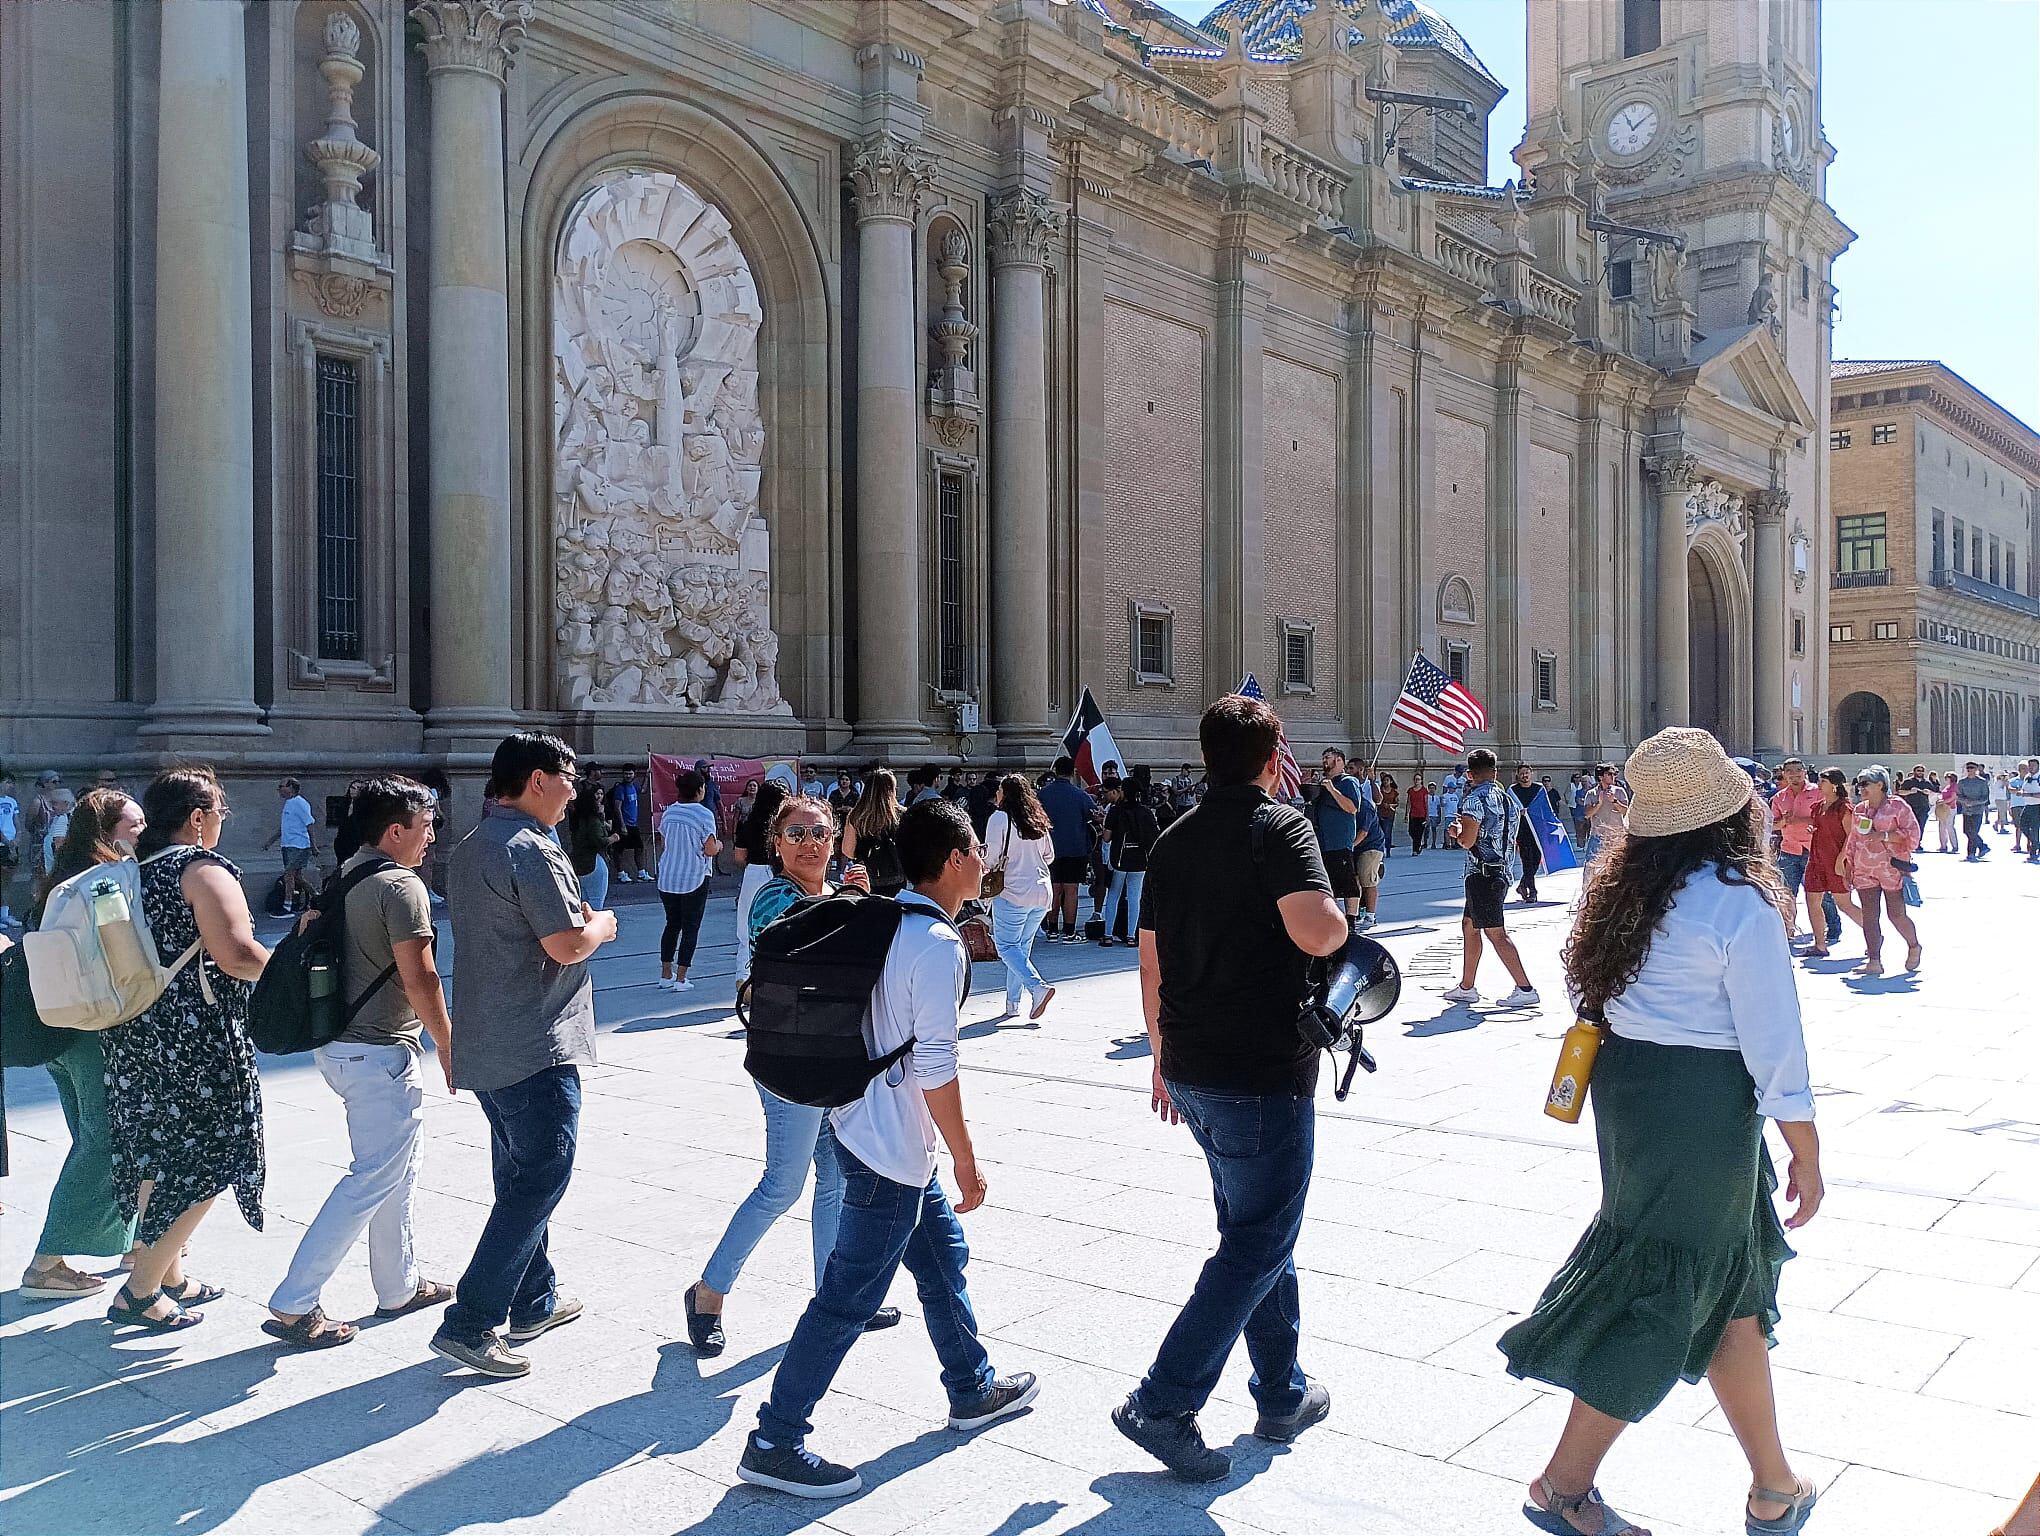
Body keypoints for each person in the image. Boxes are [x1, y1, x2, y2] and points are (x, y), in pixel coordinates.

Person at [1500, 727, 1821, 1536]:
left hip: (1632, 1094)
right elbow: (1773, 1038)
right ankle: (1563, 1485)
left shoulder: (1622, 891)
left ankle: (1773, 1483)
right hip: (1702, 1107)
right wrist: (1805, 1148)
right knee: (1670, 1290)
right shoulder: (1737, 899)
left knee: (1730, 1291)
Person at [740, 803, 1039, 1499]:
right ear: (957, 859)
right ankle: (775, 1438)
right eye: (975, 849)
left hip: (868, 1126)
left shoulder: (888, 918)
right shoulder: (935, 944)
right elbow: (936, 1064)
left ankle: (970, 1386)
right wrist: (966, 1156)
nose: (983, 862)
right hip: (890, 1147)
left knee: (941, 1261)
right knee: (848, 1298)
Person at [1113, 693, 1348, 1482]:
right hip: (1260, 1071)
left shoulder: (1175, 838)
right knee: (1259, 1240)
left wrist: (1158, 1053)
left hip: (1191, 1064)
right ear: (1273, 753)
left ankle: (1280, 1391)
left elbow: (1150, 959)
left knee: (1257, 1229)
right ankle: (1165, 1400)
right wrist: (1340, 917)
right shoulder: (1280, 826)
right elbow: (1317, 930)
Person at [431, 733, 617, 1378]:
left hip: (487, 1033)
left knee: (518, 1174)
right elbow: (566, 943)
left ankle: (534, 1299)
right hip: (536, 1039)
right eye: (568, 777)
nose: (575, 790)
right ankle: (473, 1319)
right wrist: (603, 924)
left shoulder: (471, 844)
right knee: (541, 1177)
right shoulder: (531, 849)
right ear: (537, 779)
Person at [689, 798, 893, 1360]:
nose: (810, 842)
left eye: (820, 832)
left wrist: (857, 901)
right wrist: (857, 904)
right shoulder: (775, 897)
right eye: (796, 833)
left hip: (831, 1056)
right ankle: (708, 1293)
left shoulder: (833, 895)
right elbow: (808, 942)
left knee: (833, 1180)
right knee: (783, 1184)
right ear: (776, 844)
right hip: (789, 1061)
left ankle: (835, 1297)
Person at [266, 778, 456, 1349]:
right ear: (395, 830)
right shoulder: (401, 887)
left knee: (399, 1168)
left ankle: (398, 1284)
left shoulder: (348, 873)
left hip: (342, 1045)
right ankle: (295, 1301)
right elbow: (419, 976)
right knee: (374, 1175)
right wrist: (449, 1043)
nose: (432, 837)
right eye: (426, 826)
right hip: (380, 1053)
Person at [102, 769, 271, 1333]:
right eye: (219, 812)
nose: (221, 823)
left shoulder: (131, 873)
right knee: (217, 1154)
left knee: (158, 1149)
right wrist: (286, 975)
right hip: (198, 1036)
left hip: (135, 1031)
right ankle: (141, 1288)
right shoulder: (201, 870)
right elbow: (239, 956)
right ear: (197, 819)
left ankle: (169, 1273)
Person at [17, 789, 144, 1301]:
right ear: (110, 833)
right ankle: (47, 1262)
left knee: (95, 1137)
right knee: (106, 1140)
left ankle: (138, 1243)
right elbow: (126, 957)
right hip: (96, 1029)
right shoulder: (106, 882)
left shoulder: (61, 882)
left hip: (58, 1029)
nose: (143, 833)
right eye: (135, 826)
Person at [1443, 749, 1539, 1009]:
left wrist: (1455, 831)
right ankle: (1466, 986)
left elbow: (1467, 840)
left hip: (1482, 874)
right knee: (1469, 925)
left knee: (1495, 932)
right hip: (1503, 871)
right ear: (1495, 771)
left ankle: (1525, 988)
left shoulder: (1473, 800)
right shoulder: (1510, 800)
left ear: (1471, 774)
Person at [984, 773, 1056, 1022]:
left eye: (1000, 790)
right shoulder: (1037, 819)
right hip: (1041, 890)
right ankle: (1013, 1003)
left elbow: (991, 858)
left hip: (1013, 891)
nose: (997, 795)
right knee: (1021, 948)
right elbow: (1049, 856)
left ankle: (1037, 987)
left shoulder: (999, 819)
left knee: (1006, 946)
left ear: (1005, 794)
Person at [1842, 766, 1922, 978]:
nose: (1862, 788)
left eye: (1866, 783)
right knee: (1870, 916)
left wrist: (1885, 836)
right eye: (1860, 784)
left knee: (1896, 914)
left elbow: (1913, 837)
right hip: (1863, 868)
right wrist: (1848, 865)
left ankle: (1914, 945)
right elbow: (1853, 838)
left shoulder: (1898, 806)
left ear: (1880, 785)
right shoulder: (1859, 809)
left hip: (1891, 868)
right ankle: (1874, 960)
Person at [655, 769, 720, 992]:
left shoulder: (669, 812)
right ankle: (682, 978)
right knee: (691, 927)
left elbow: (664, 843)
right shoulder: (704, 815)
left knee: (672, 924)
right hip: (694, 877)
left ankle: (665, 973)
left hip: (668, 877)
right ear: (700, 790)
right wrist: (719, 846)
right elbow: (710, 849)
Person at [733, 777, 790, 973]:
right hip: (779, 873)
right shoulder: (783, 826)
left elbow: (739, 856)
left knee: (746, 927)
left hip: (754, 872)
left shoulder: (749, 822)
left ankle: (743, 976)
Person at [1038, 756, 1097, 945]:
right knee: (1071, 890)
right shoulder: (1080, 795)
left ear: (1055, 770)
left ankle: (1052, 930)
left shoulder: (1043, 794)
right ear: (1073, 772)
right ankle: (1070, 932)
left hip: (1049, 848)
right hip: (1075, 847)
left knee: (1054, 889)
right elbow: (1094, 815)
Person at [1801, 769, 1857, 959]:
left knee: (1844, 904)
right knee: (1812, 900)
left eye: (1823, 781)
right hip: (1816, 858)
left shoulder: (1844, 808)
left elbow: (1851, 836)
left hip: (1836, 859)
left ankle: (1873, 934)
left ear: (1834, 785)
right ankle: (1820, 944)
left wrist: (1842, 859)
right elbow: (1821, 826)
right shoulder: (1818, 807)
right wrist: (1813, 829)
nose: (1819, 785)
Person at [1099, 778, 1160, 949]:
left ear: (1124, 792)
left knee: (1113, 895)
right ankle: (1132, 936)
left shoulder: (1115, 811)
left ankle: (1108, 935)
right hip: (1140, 860)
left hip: (1119, 859)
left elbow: (1106, 837)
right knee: (1135, 897)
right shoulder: (1146, 812)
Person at [1768, 759, 1820, 942]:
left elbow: (1827, 819)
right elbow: (1771, 825)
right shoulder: (1779, 798)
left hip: (1813, 850)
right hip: (1789, 850)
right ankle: (1788, 928)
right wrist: (1782, 823)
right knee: (1787, 893)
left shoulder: (1818, 792)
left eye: (1798, 770)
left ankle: (1832, 926)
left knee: (1820, 895)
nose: (1794, 774)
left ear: (1805, 772)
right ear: (1784, 773)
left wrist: (1803, 822)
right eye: (1789, 771)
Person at [1312, 749, 1365, 923]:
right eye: (1323, 758)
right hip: (1323, 842)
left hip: (1340, 841)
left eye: (1328, 758)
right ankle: (1334, 918)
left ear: (1340, 761)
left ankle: (1351, 918)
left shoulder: (1348, 782)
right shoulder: (1324, 784)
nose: (1324, 761)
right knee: (1328, 884)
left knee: (1347, 880)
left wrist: (1332, 789)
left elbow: (1352, 808)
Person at [840, 767, 905, 898]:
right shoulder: (902, 814)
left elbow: (847, 850)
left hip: (866, 877)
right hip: (896, 876)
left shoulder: (856, 815)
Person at [263, 776, 319, 913]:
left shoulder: (300, 803)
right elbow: (285, 827)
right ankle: (316, 896)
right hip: (288, 845)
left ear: (291, 788)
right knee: (297, 876)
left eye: (282, 787)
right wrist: (271, 841)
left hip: (299, 846)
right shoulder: (289, 804)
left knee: (289, 875)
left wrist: (313, 845)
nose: (279, 790)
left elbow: (309, 824)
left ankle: (287, 906)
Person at [564, 778, 615, 910]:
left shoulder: (578, 820)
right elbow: (599, 841)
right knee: (596, 902)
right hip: (593, 861)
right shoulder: (592, 820)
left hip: (579, 862)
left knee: (583, 901)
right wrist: (613, 838)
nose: (599, 801)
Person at [1508, 764, 1545, 903]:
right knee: (1527, 860)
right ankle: (1532, 891)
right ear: (1518, 775)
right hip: (1522, 831)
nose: (1525, 776)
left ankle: (1523, 884)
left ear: (1531, 774)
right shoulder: (1513, 790)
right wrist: (1519, 812)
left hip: (1537, 830)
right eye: (1522, 773)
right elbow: (1510, 809)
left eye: (1527, 773)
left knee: (1536, 859)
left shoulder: (1539, 789)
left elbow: (1545, 808)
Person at [604, 764, 648, 882]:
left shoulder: (634, 786)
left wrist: (647, 776)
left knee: (639, 847)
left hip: (633, 824)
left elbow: (643, 790)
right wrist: (622, 825)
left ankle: (641, 873)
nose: (628, 776)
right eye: (626, 774)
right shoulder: (620, 788)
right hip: (624, 824)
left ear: (634, 774)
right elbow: (617, 807)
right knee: (619, 850)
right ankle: (621, 873)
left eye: (630, 773)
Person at [1582, 764, 1630, 869]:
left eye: (1614, 774)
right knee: (1590, 867)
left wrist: (1615, 801)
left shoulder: (1619, 791)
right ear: (1600, 777)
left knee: (1618, 867)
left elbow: (1626, 811)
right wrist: (1599, 804)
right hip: (1598, 836)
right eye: (1609, 774)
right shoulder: (1591, 793)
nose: (1613, 776)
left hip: (1616, 836)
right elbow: (1587, 814)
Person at [1954, 761, 1992, 861]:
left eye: (1972, 768)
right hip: (1966, 810)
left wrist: (1974, 802)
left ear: (1976, 769)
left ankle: (1971, 853)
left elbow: (1985, 798)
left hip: (1977, 810)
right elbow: (1958, 796)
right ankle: (1982, 846)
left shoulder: (1982, 782)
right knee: (1967, 831)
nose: (1969, 770)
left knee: (1974, 832)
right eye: (1968, 768)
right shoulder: (1962, 782)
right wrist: (1965, 801)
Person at [1896, 765, 1935, 839]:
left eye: (1922, 771)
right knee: (1911, 826)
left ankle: (1918, 842)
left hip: (1923, 807)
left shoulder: (1927, 782)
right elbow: (1900, 792)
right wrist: (1910, 791)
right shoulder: (1908, 781)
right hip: (1911, 807)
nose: (1920, 772)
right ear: (1914, 772)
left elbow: (1935, 794)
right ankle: (1910, 841)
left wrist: (1929, 792)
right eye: (1918, 770)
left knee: (1921, 825)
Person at [2013, 758, 2040, 862]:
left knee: (2034, 828)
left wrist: (2028, 794)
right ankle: (2037, 843)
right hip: (2028, 805)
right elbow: (2024, 789)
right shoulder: (2027, 777)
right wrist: (2020, 791)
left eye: (2034, 765)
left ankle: (2033, 852)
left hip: (2037, 806)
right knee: (2022, 826)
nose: (2031, 767)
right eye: (2030, 765)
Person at [1931, 773, 1959, 854]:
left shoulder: (1954, 786)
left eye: (1947, 777)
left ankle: (1954, 845)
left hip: (1950, 808)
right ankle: (1943, 845)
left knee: (1950, 826)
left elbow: (1953, 797)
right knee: (1942, 827)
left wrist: (1943, 801)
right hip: (1942, 808)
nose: (1946, 779)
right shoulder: (1947, 786)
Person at [1377, 772, 1399, 861]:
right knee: (1380, 833)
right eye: (1384, 780)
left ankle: (1388, 850)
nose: (1386, 782)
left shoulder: (1394, 792)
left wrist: (1390, 805)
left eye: (1387, 780)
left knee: (1387, 832)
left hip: (1389, 814)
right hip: (1380, 813)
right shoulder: (1380, 790)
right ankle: (1381, 850)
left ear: (1391, 781)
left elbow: (1397, 803)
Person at [1405, 777, 1430, 855]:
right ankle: (1419, 843)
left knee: (1419, 833)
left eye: (1418, 779)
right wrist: (1406, 814)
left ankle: (1415, 850)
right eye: (1416, 779)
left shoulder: (1424, 790)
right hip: (1413, 814)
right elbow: (1408, 802)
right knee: (1411, 831)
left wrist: (1427, 815)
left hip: (1421, 814)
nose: (1417, 781)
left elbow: (1426, 803)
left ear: (1421, 780)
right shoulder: (1411, 790)